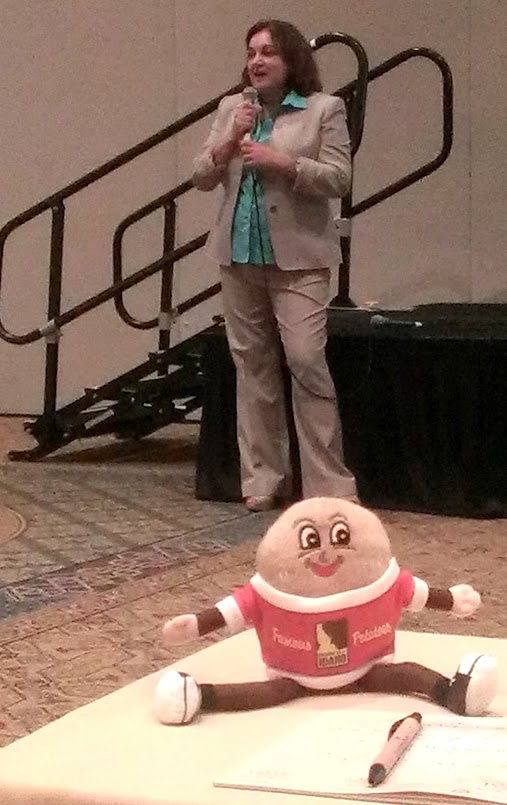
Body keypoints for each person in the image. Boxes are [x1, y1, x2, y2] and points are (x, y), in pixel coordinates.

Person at [192, 18, 358, 512]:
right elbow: (201, 176)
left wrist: (284, 164)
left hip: (299, 260)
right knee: (253, 368)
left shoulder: (324, 109)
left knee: (306, 361)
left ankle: (329, 483)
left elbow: (340, 178)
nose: (256, 61)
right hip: (238, 254)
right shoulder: (232, 109)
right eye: (251, 53)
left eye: (267, 52)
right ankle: (264, 477)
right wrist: (229, 141)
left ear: (291, 60)